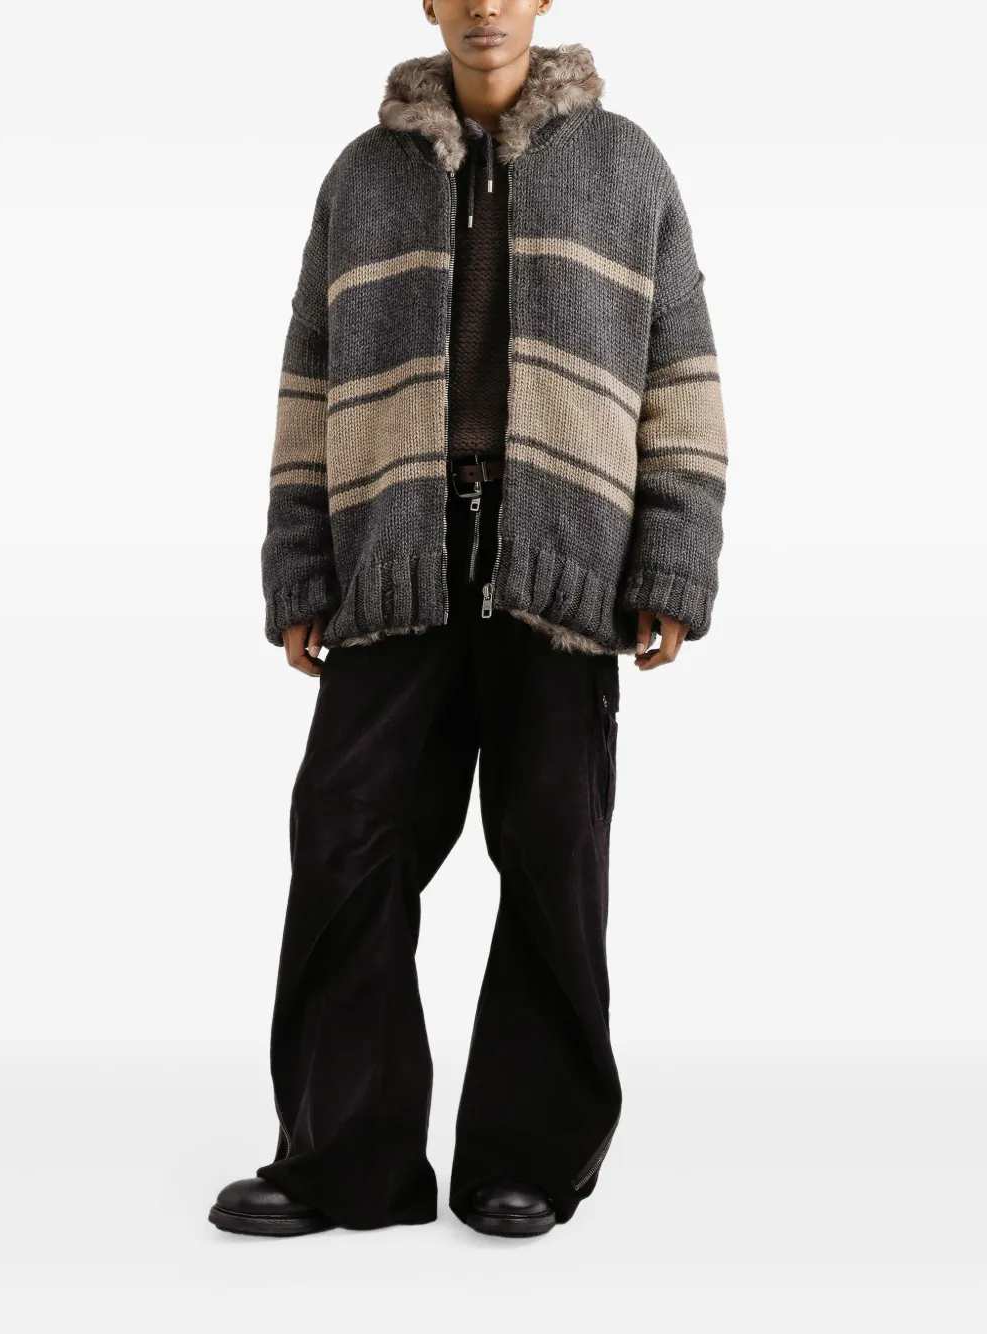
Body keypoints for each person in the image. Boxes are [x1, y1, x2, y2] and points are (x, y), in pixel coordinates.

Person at [209, 0, 727, 1241]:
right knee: (346, 842)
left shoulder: (627, 166)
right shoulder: (362, 175)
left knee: (552, 861)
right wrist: (300, 566)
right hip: (396, 561)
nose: (486, 4)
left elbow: (682, 374)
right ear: (430, 5)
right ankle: (347, 1160)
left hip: (564, 566)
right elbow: (307, 377)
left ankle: (526, 1158)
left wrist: (671, 557)